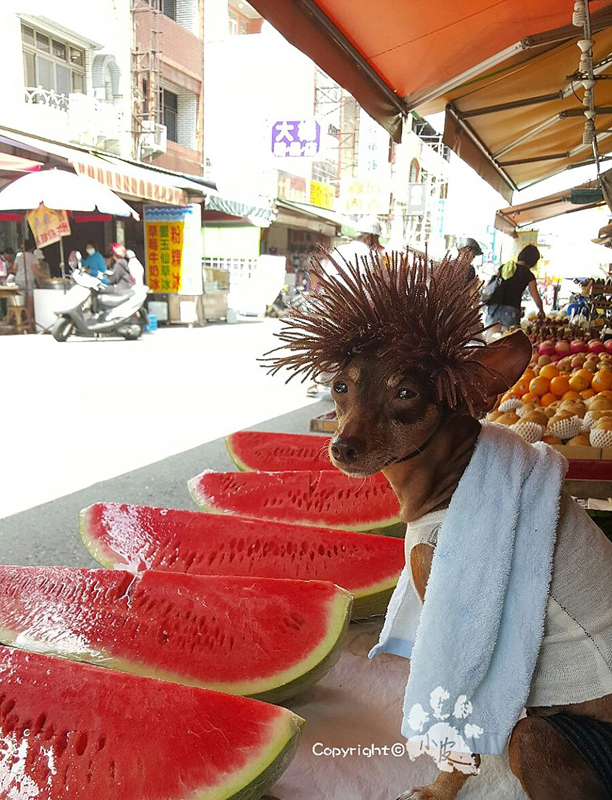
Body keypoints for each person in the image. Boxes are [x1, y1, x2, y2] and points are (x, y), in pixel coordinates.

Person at [484, 244, 544, 332]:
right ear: (533, 261)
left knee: (491, 339)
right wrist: (541, 310)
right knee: (508, 340)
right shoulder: (528, 275)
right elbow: (536, 297)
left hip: (494, 307)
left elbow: (491, 284)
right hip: (510, 310)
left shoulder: (504, 267)